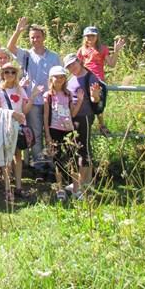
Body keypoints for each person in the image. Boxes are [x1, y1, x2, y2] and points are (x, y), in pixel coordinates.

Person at [7, 17, 61, 169]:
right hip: (33, 102)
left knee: (52, 133)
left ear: (44, 37)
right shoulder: (26, 55)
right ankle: (39, 166)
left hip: (52, 101)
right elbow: (10, 47)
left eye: (38, 36)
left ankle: (52, 165)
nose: (35, 40)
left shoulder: (54, 57)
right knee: (36, 134)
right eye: (32, 37)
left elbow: (60, 77)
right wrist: (18, 31)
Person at [0, 62, 43, 201]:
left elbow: (25, 110)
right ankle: (8, 188)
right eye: (6, 72)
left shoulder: (20, 90)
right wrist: (12, 113)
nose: (9, 74)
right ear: (2, 74)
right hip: (6, 127)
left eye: (12, 72)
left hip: (19, 127)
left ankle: (19, 187)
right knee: (7, 158)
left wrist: (32, 97)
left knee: (17, 157)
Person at [63, 53, 103, 199]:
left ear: (79, 61)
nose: (72, 67)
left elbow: (95, 99)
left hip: (85, 116)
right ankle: (83, 183)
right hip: (73, 117)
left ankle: (83, 186)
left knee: (84, 150)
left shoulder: (90, 77)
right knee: (77, 149)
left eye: (73, 64)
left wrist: (95, 95)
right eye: (68, 66)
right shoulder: (72, 78)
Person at [43, 66, 81, 202]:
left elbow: (73, 113)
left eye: (62, 77)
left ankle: (76, 189)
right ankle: (60, 189)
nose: (59, 79)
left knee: (74, 159)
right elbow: (46, 116)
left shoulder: (68, 94)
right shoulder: (48, 96)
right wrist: (47, 134)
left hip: (69, 130)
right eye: (56, 77)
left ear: (65, 79)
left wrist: (80, 101)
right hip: (54, 130)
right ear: (51, 79)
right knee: (57, 160)